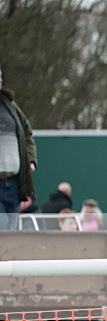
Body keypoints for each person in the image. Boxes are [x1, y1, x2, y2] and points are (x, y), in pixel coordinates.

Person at [0, 64, 37, 230]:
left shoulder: (11, 106)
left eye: (0, 77)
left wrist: (31, 160)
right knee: (3, 229)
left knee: (11, 232)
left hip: (14, 182)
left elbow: (27, 134)